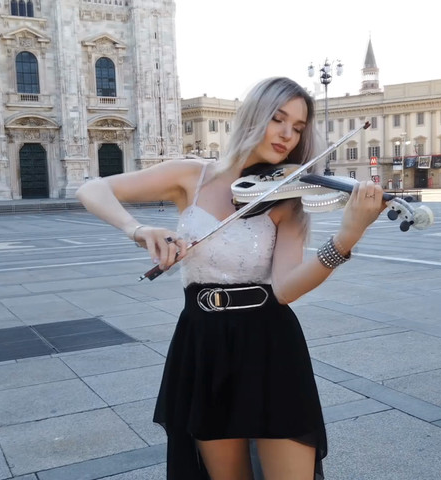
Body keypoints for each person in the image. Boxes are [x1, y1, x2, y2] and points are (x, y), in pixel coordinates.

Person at [75, 77, 386, 479]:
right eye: (278, 119)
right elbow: (92, 189)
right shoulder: (192, 175)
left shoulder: (287, 196)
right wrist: (139, 230)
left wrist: (346, 238)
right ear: (253, 116)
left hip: (270, 345)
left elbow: (285, 289)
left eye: (298, 127)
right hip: (203, 344)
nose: (288, 135)